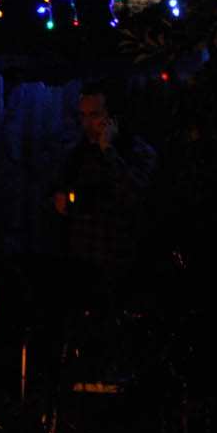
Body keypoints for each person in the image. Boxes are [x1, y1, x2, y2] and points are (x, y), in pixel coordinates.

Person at [48, 80, 158, 317]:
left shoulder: (135, 151)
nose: (87, 123)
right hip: (82, 268)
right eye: (83, 115)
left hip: (120, 269)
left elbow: (135, 195)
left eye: (95, 115)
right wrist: (60, 202)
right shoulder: (77, 155)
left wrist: (108, 150)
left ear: (112, 117)